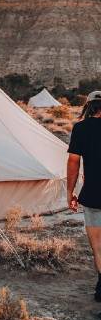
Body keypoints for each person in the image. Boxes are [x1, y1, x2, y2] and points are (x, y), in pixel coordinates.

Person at [67, 90, 101, 303]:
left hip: (93, 194)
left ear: (88, 107)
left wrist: (70, 193)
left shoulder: (81, 128)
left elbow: (73, 162)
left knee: (98, 246)